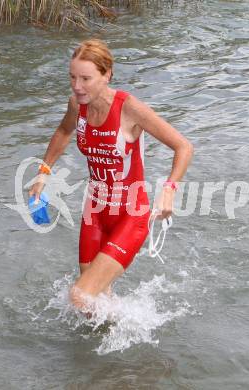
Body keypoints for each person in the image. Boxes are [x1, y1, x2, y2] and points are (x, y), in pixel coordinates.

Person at [29, 39, 193, 312]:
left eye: (85, 78)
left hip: (130, 214)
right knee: (94, 300)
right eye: (72, 77)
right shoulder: (77, 105)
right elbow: (64, 131)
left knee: (80, 295)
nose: (77, 86)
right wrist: (43, 172)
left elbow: (183, 146)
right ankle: (112, 344)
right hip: (94, 211)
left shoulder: (130, 109)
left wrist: (169, 189)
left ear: (107, 75)